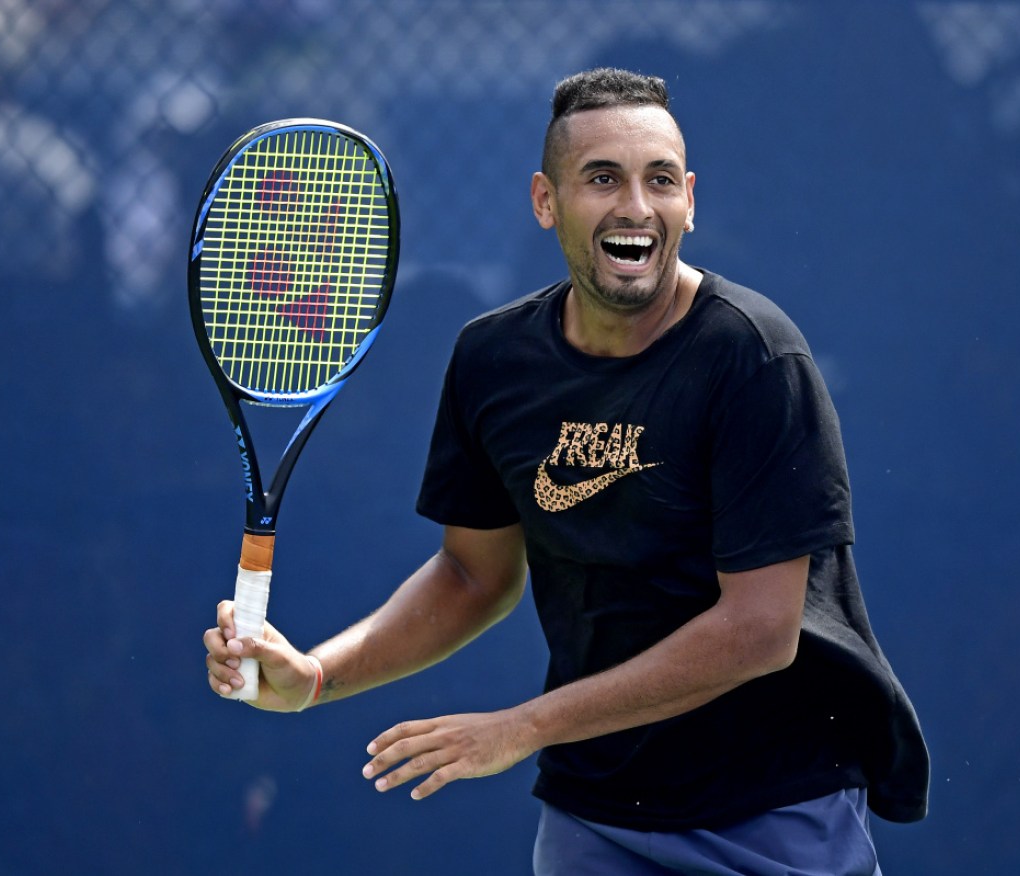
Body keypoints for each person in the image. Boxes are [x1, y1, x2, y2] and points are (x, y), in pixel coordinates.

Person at [204, 67, 928, 875]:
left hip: (770, 808)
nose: (634, 207)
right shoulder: (493, 361)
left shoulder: (753, 358)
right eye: (601, 179)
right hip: (595, 815)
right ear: (546, 202)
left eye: (659, 180)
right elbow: (472, 577)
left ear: (689, 200)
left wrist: (525, 725)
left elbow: (758, 632)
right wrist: (317, 676)